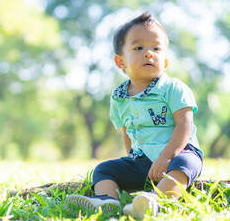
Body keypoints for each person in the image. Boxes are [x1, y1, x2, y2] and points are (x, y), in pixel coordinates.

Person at [66, 12, 203, 219]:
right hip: (143, 160)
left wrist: (167, 157)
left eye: (156, 48)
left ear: (165, 62)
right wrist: (133, 160)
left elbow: (184, 125)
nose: (149, 53)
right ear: (121, 61)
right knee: (104, 169)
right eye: (138, 48)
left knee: (185, 166)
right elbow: (126, 133)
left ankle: (156, 200)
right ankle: (107, 200)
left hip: (179, 153)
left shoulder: (174, 88)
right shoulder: (119, 97)